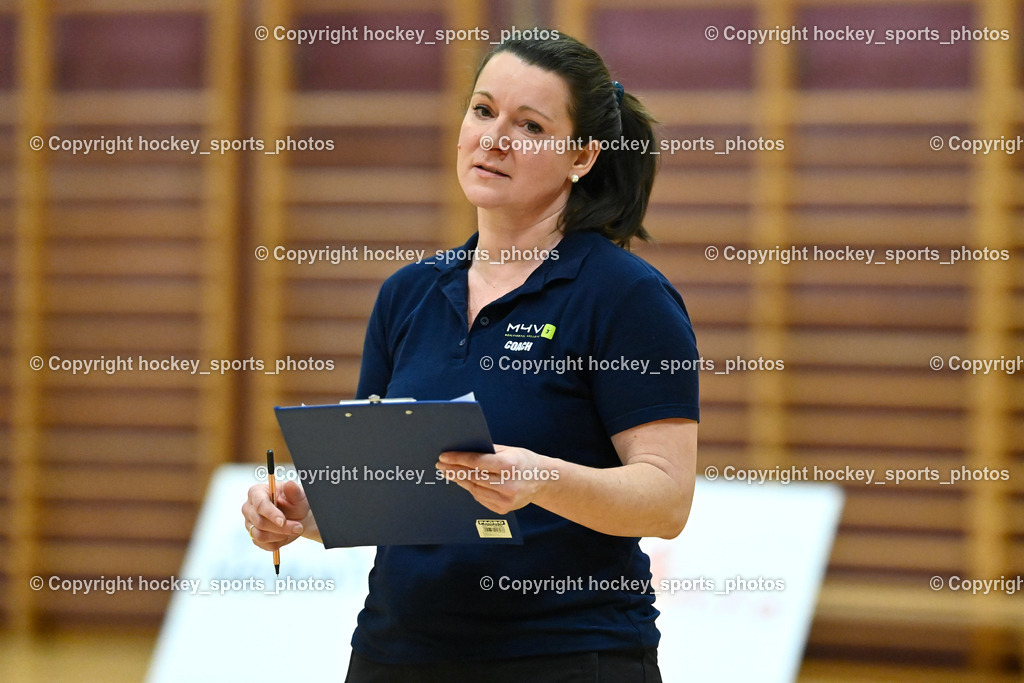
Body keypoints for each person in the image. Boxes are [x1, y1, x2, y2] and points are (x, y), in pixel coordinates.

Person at [243, 32, 700, 683]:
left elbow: (666, 499)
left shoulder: (627, 297)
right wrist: (302, 512)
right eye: (483, 111)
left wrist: (541, 478)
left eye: (529, 125)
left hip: (566, 654)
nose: (493, 138)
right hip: (395, 652)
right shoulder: (408, 294)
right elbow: (385, 491)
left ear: (583, 155)